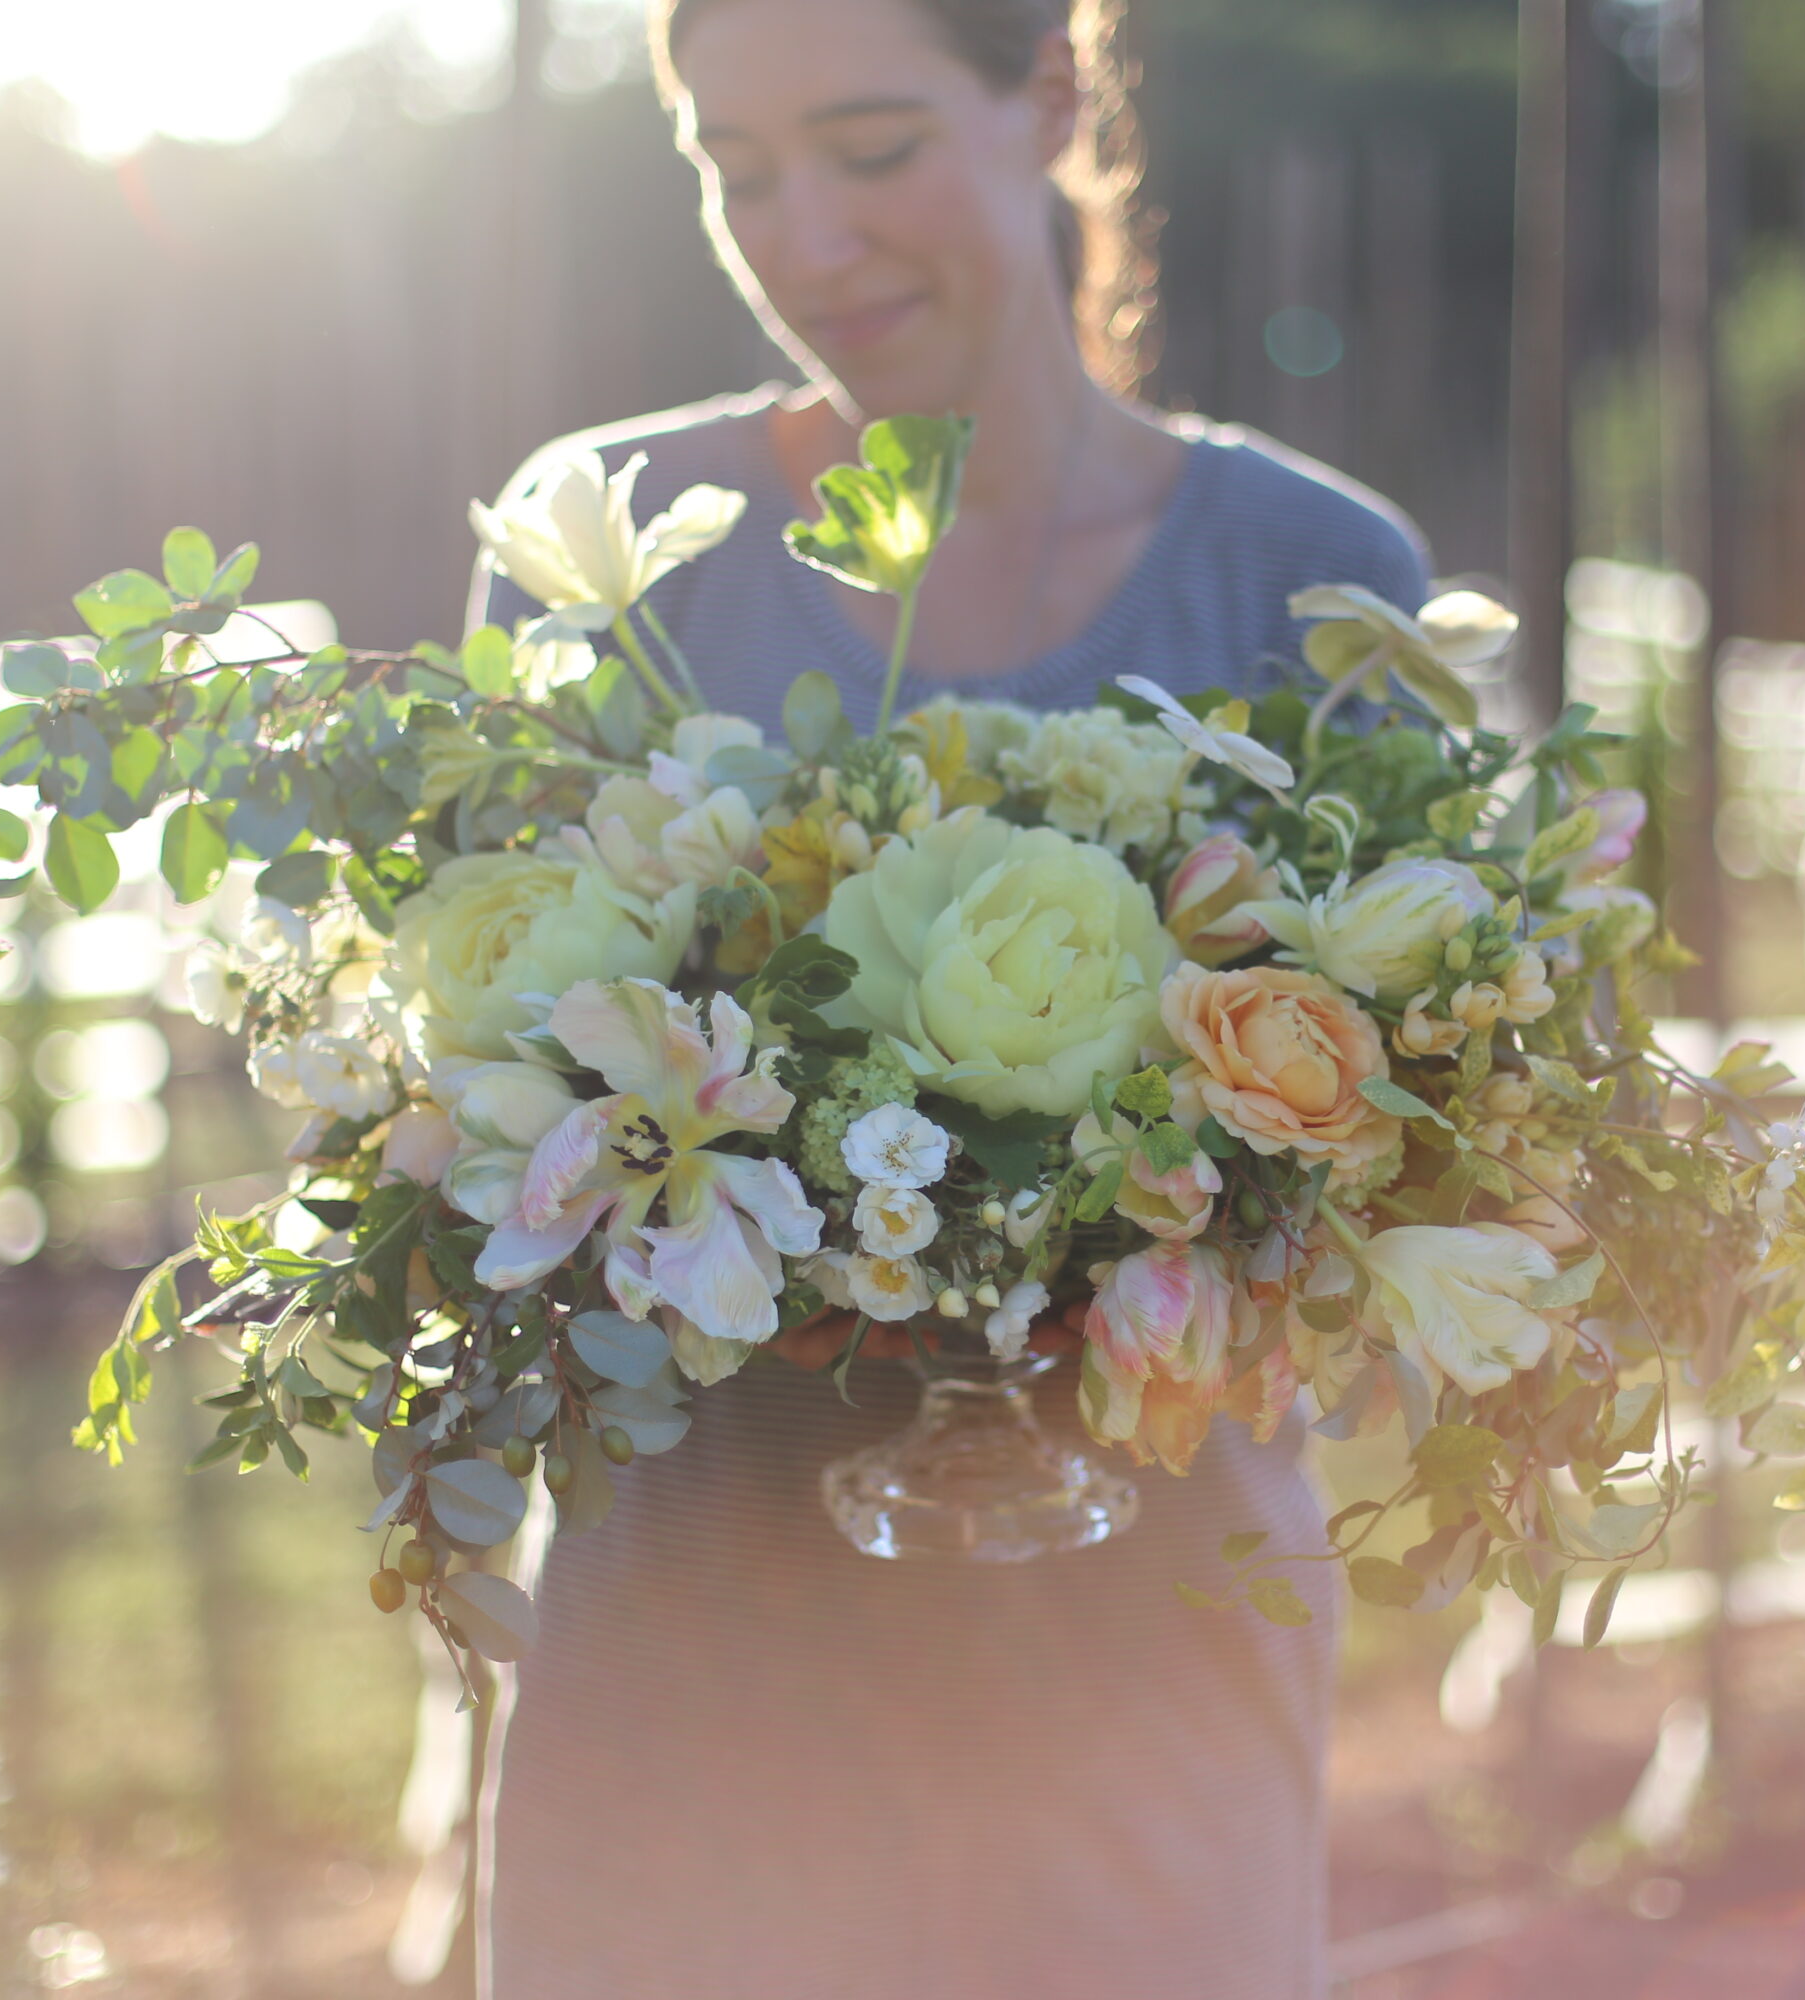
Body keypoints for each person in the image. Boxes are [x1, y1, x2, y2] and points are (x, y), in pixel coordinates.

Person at [466, 2, 1429, 1992]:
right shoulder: (607, 566)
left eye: (874, 144)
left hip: (1139, 1709)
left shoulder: (1313, 584)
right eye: (737, 169)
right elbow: (485, 1144)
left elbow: (1404, 1188)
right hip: (697, 1705)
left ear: (1052, 101)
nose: (805, 235)